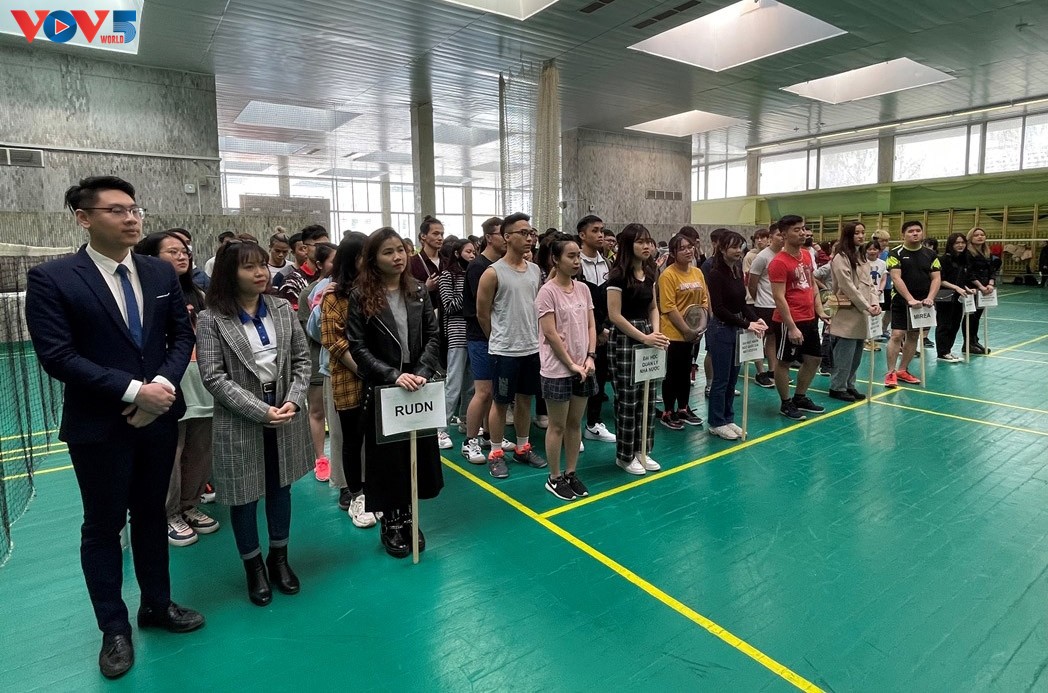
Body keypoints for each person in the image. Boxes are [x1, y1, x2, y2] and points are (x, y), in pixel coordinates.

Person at [25, 176, 203, 679]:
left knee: (151, 514)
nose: (132, 218)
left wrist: (159, 391)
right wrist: (133, 392)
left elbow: (179, 334)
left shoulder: (159, 273)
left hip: (156, 419)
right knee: (104, 526)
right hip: (99, 427)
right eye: (116, 210)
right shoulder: (53, 278)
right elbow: (58, 356)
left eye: (135, 209)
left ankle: (157, 606)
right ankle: (114, 629)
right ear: (84, 218)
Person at [196, 240, 312, 606]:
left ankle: (279, 558)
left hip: (286, 410)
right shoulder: (211, 318)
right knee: (243, 497)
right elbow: (214, 377)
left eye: (263, 265)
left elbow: (302, 360)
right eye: (250, 267)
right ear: (230, 273)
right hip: (241, 416)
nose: (261, 272)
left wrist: (292, 399)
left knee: (281, 488)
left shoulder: (281, 308)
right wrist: (260, 411)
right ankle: (254, 567)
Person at [346, 228, 444, 558]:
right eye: (388, 252)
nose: (398, 257)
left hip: (418, 385)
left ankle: (410, 518)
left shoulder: (417, 290)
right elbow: (357, 348)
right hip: (385, 388)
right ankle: (392, 521)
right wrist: (393, 375)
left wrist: (421, 372)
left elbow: (433, 334)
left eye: (401, 250)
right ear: (373, 258)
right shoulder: (361, 295)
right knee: (388, 461)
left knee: (416, 457)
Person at [133, 231, 218, 547]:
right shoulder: (143, 296)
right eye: (172, 252)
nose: (182, 256)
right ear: (152, 258)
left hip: (203, 381)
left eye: (184, 251)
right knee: (171, 451)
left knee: (200, 449)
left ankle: (189, 505)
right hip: (168, 384)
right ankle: (168, 514)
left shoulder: (199, 293)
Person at [476, 213, 548, 478]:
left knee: (525, 400)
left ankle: (522, 447)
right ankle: (496, 452)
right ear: (507, 237)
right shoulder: (492, 273)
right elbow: (482, 314)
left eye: (531, 233)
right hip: (504, 351)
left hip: (531, 348)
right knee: (500, 402)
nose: (529, 238)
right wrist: (499, 338)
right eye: (522, 233)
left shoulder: (534, 271)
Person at [319, 233, 377, 528]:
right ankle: (356, 495)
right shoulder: (332, 295)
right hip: (349, 377)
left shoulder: (376, 290)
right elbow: (334, 341)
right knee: (352, 439)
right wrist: (365, 368)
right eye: (364, 255)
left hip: (379, 377)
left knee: (376, 439)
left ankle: (376, 491)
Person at [536, 235, 598, 500]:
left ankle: (571, 473)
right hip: (558, 369)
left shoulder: (583, 289)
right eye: (570, 256)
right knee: (557, 426)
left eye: (578, 257)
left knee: (575, 424)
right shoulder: (547, 292)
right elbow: (550, 334)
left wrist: (590, 357)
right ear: (556, 260)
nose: (576, 261)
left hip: (583, 367)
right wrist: (572, 364)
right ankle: (554, 477)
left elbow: (591, 325)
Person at [606, 223, 669, 475]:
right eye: (641, 242)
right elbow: (614, 315)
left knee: (647, 397)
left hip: (647, 336)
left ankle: (643, 450)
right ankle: (625, 455)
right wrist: (644, 337)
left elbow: (653, 307)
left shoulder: (650, 273)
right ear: (628, 245)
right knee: (628, 400)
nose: (647, 246)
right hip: (625, 340)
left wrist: (655, 333)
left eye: (649, 241)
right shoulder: (618, 275)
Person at [705, 231, 767, 439]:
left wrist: (756, 319)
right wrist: (746, 323)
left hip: (737, 329)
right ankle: (716, 421)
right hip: (721, 330)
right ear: (722, 249)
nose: (738, 252)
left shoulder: (737, 270)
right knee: (721, 379)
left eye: (740, 247)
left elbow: (741, 303)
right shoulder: (715, 274)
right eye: (733, 247)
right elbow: (720, 308)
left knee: (733, 378)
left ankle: (728, 417)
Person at [769, 215, 829, 421]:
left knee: (814, 359)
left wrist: (819, 310)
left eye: (803, 229)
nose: (802, 233)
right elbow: (778, 296)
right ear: (784, 234)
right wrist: (792, 326)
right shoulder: (778, 262)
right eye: (797, 230)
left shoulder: (805, 255)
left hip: (809, 318)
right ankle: (786, 403)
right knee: (784, 362)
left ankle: (800, 397)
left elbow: (811, 284)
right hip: (789, 321)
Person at [461, 217, 506, 464]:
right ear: (490, 237)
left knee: (495, 392)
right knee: (483, 391)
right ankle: (470, 441)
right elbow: (484, 308)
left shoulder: (501, 265)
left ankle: (489, 436)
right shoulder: (479, 267)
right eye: (503, 234)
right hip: (481, 336)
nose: (507, 239)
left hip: (498, 336)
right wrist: (492, 335)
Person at [657, 233, 709, 430]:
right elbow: (668, 307)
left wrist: (699, 328)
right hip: (674, 333)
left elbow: (703, 300)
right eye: (682, 248)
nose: (688, 251)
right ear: (673, 253)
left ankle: (684, 408)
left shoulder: (697, 273)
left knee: (686, 372)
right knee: (672, 373)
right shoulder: (668, 275)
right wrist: (686, 330)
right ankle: (668, 411)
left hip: (694, 333)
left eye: (690, 247)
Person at [827, 222, 881, 401]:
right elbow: (847, 286)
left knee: (857, 353)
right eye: (856, 233)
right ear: (848, 235)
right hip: (848, 311)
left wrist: (874, 303)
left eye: (863, 232)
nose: (860, 236)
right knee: (845, 353)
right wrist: (866, 306)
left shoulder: (862, 257)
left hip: (863, 311)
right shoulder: (840, 257)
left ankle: (850, 384)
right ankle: (837, 386)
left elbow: (870, 284)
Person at [884, 220, 941, 387]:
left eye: (918, 231)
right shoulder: (896, 253)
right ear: (903, 234)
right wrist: (909, 298)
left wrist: (930, 297)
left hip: (924, 303)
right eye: (911, 231)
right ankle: (891, 373)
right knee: (896, 335)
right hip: (902, 301)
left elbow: (936, 278)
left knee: (914, 335)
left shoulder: (930, 255)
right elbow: (896, 277)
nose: (915, 233)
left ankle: (903, 370)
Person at [576, 215, 617, 444]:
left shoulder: (608, 264)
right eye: (595, 230)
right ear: (582, 235)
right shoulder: (576, 263)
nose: (600, 234)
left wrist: (606, 328)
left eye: (602, 230)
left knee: (598, 378)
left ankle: (593, 424)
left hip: (603, 333)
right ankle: (572, 429)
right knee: (576, 380)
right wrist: (597, 329)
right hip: (580, 332)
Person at [437, 237, 476, 450]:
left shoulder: (473, 274)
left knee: (470, 384)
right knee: (453, 383)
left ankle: (465, 420)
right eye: (469, 251)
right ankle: (441, 429)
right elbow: (449, 306)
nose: (472, 255)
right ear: (457, 253)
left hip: (474, 334)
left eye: (474, 252)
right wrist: (467, 291)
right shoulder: (447, 275)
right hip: (457, 334)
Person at [747, 222, 783, 388]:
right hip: (763, 305)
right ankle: (760, 371)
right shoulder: (762, 257)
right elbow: (752, 283)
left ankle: (772, 371)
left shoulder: (783, 255)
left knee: (773, 338)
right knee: (759, 338)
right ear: (770, 238)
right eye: (778, 235)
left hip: (778, 304)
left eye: (783, 234)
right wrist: (759, 300)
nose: (782, 238)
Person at [935, 233, 972, 362]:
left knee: (955, 324)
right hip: (944, 296)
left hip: (958, 297)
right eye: (957, 243)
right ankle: (942, 352)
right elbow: (940, 280)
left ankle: (948, 350)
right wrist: (955, 287)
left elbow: (963, 279)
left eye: (962, 242)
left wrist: (966, 288)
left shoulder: (965, 259)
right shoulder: (943, 260)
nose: (960, 245)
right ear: (951, 245)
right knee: (944, 324)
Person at [964, 227, 997, 354]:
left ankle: (974, 340)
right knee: (970, 316)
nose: (979, 237)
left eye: (982, 234)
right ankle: (968, 343)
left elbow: (992, 269)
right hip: (973, 288)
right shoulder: (967, 253)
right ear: (970, 237)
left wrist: (990, 283)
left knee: (977, 316)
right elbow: (969, 273)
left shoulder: (987, 252)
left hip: (985, 288)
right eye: (976, 235)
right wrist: (980, 287)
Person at [410, 215, 446, 310]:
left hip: (446, 318)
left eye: (442, 234)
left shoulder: (447, 262)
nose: (440, 238)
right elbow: (407, 294)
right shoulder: (412, 263)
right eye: (435, 234)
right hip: (424, 315)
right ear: (423, 236)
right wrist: (425, 288)